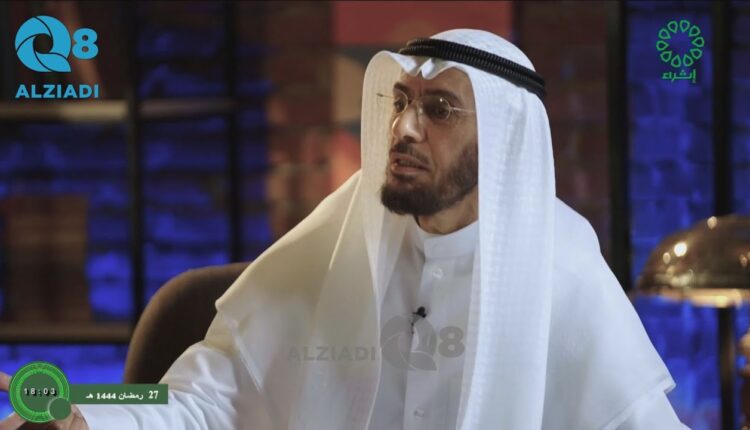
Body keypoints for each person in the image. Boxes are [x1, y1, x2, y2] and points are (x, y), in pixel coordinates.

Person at [0, 29, 687, 430]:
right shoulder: (336, 243)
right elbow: (195, 401)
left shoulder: (563, 276)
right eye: (402, 101)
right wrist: (84, 410)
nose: (404, 127)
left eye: (440, 109)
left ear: (505, 143)